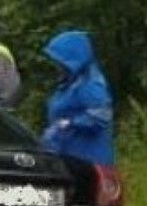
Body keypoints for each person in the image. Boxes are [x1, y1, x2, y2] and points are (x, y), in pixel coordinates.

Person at [40, 30, 115, 165]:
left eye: (60, 61)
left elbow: (100, 117)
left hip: (87, 159)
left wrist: (70, 123)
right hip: (68, 155)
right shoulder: (70, 83)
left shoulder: (91, 84)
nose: (56, 65)